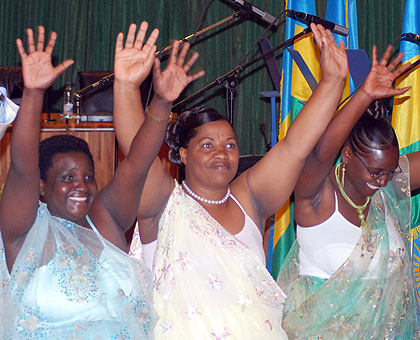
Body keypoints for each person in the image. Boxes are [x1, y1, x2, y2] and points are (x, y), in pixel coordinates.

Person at [113, 23, 347, 339]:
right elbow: (137, 158)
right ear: (181, 154)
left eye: (230, 144)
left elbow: (295, 147)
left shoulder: (248, 197)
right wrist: (126, 87)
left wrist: (333, 82)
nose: (222, 153)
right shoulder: (164, 205)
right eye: (207, 145)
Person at [0, 22, 179, 339]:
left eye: (88, 177)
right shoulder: (22, 231)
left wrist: (162, 102)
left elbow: (137, 163)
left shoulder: (104, 218)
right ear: (42, 186)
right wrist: (33, 93)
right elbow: (23, 167)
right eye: (67, 178)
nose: (81, 186)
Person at [277, 43, 420, 339]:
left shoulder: (386, 189)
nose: (382, 181)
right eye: (374, 171)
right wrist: (364, 94)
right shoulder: (316, 195)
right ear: (347, 155)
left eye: (389, 172)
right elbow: (317, 154)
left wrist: (387, 175)